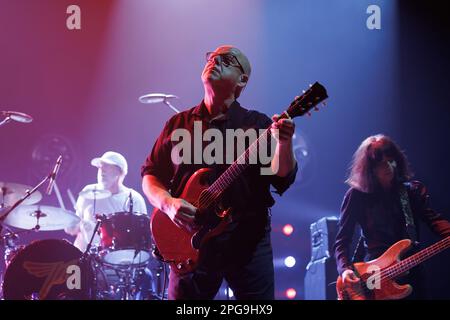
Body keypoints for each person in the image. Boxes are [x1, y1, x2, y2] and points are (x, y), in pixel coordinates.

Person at [141, 45, 298, 300]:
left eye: (226, 60)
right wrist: (168, 204)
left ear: (242, 80)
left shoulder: (258, 125)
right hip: (190, 240)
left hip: (247, 240)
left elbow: (283, 177)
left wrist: (284, 142)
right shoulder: (178, 124)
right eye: (211, 57)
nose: (214, 61)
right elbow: (151, 174)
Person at [334, 134, 450, 299]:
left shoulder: (410, 192)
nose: (389, 166)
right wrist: (345, 270)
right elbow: (342, 241)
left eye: (391, 160)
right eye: (381, 164)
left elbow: (434, 220)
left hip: (412, 272)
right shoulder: (356, 196)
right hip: (373, 277)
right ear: (370, 169)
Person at [65, 151, 147, 252]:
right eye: (100, 167)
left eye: (107, 167)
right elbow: (75, 226)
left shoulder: (134, 198)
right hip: (83, 256)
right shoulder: (88, 191)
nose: (102, 171)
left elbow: (140, 235)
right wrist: (72, 225)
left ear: (119, 172)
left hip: (116, 259)